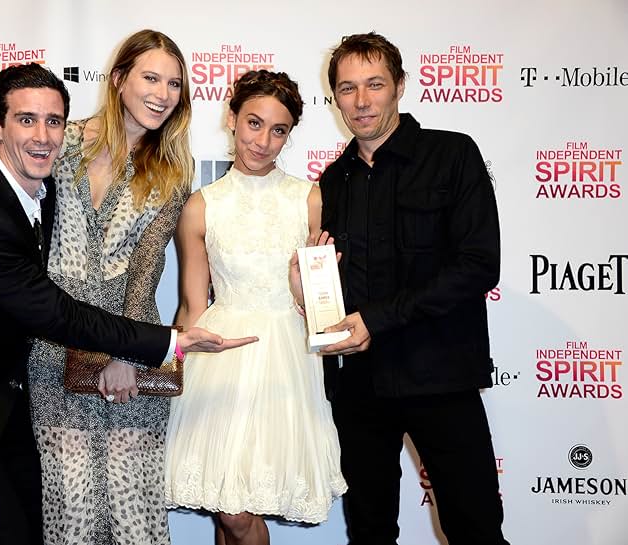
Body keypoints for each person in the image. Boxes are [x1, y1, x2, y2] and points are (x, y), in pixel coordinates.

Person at [0, 62, 254, 545]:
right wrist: (165, 343)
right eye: (26, 120)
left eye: (53, 122)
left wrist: (137, 348)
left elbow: (141, 268)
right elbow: (55, 312)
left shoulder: (30, 187)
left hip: (5, 390)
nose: (43, 136)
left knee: (41, 528)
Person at [296, 32, 509, 545]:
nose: (362, 101)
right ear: (335, 97)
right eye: (348, 88)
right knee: (370, 534)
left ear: (400, 87)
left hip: (440, 376)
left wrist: (378, 319)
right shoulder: (332, 182)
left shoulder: (452, 155)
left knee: (475, 528)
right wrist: (308, 285)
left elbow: (479, 265)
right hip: (359, 387)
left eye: (375, 84)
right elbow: (334, 285)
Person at [165, 70, 347, 545]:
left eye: (279, 130)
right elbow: (191, 305)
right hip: (219, 359)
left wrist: (303, 294)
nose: (263, 141)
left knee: (238, 511)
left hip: (285, 362)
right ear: (231, 118)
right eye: (253, 123)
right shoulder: (201, 205)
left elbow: (328, 311)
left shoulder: (309, 199)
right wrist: (173, 371)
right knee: (227, 510)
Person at [26, 30, 193, 545]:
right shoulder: (63, 143)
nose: (163, 94)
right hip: (53, 346)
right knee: (70, 510)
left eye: (173, 84)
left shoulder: (171, 173)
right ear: (119, 80)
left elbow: (147, 274)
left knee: (133, 512)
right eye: (150, 78)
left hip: (128, 356)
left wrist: (127, 352)